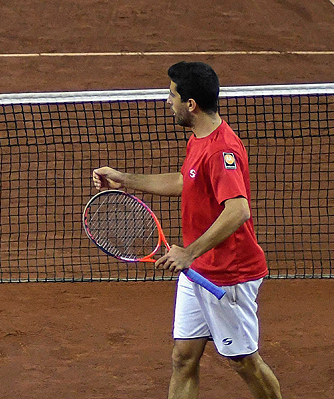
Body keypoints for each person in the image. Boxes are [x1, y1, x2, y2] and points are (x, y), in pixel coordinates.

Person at [92, 61, 282, 399]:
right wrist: (126, 180)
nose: (168, 101)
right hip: (196, 270)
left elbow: (238, 211)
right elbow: (186, 182)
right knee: (183, 358)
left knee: (243, 361)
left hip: (228, 275)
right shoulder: (199, 138)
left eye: (172, 95)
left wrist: (189, 252)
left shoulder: (221, 150)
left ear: (190, 104)